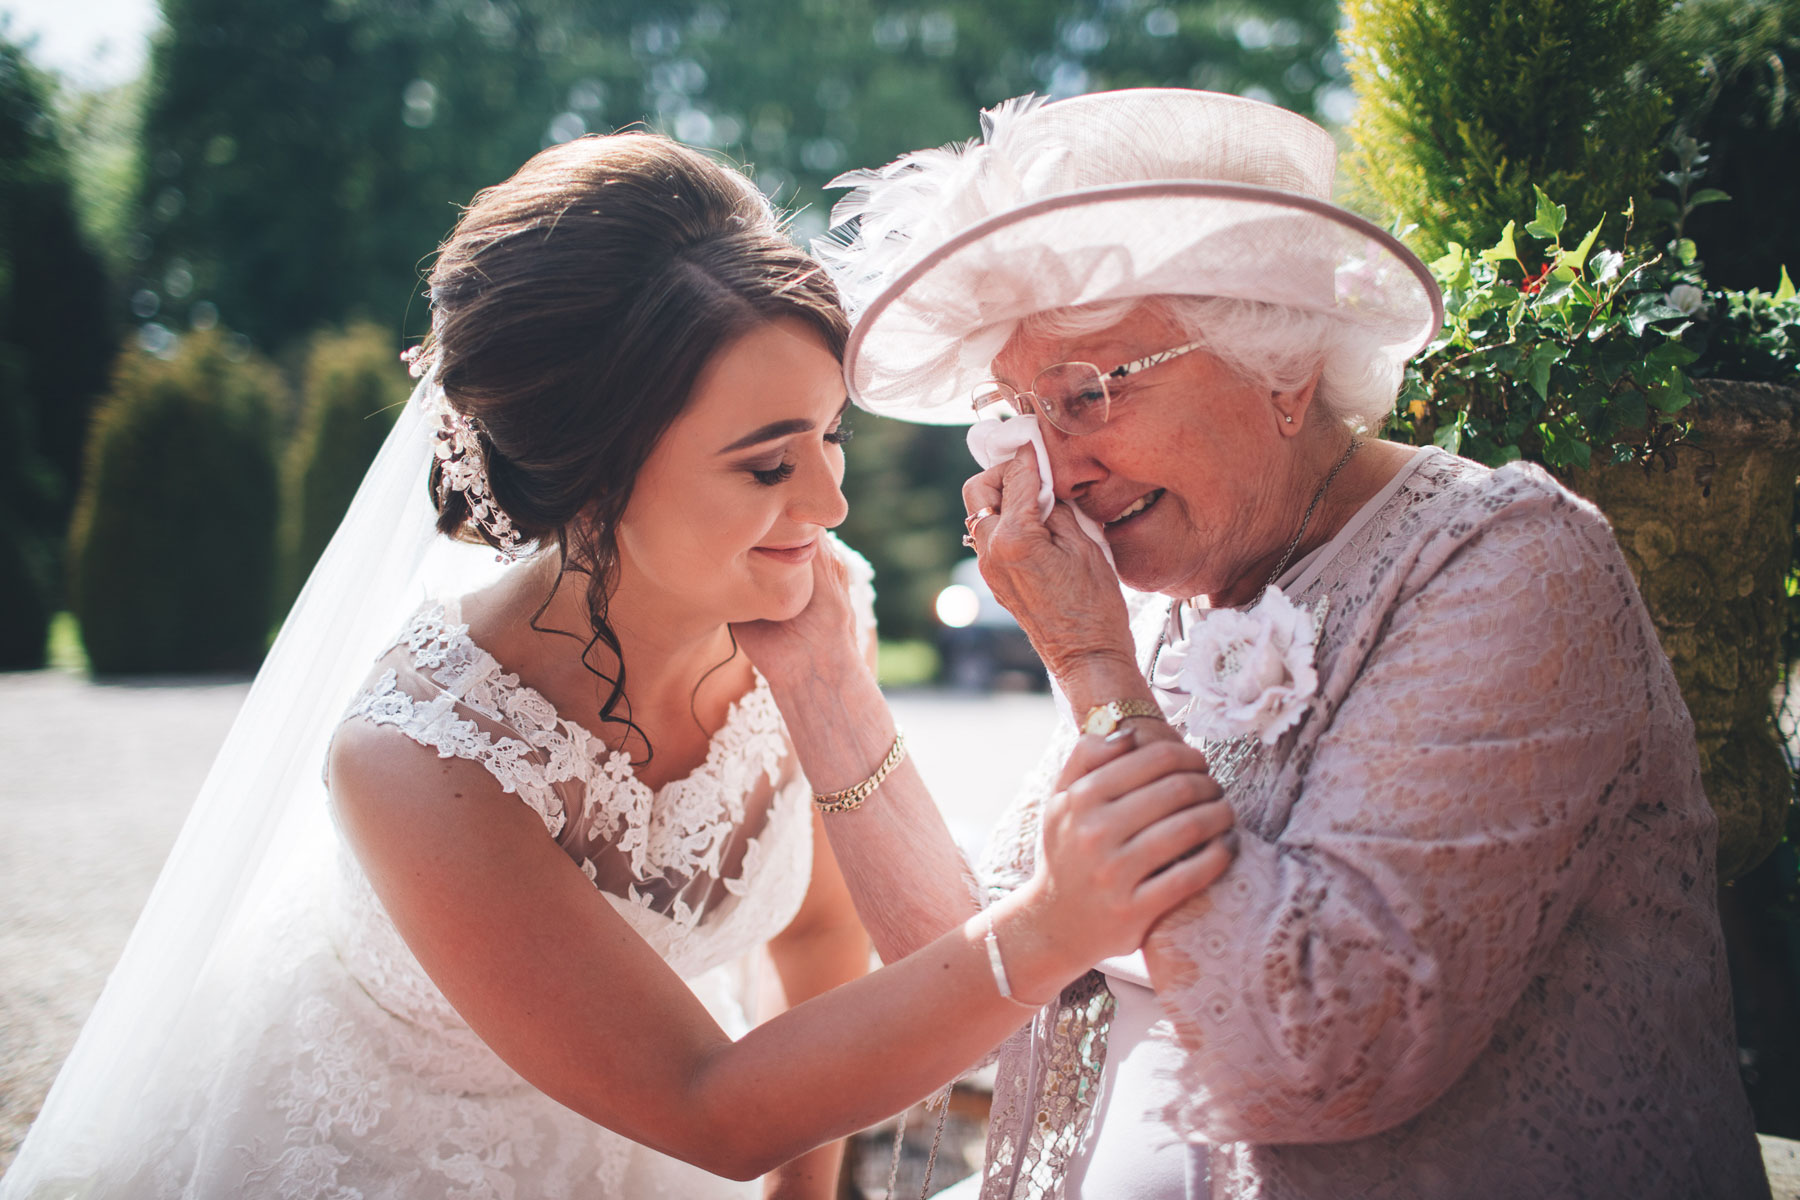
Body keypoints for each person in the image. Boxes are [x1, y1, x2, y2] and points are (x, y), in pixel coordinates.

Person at [0, 132, 1234, 1200]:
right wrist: (1057, 920)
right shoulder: (416, 759)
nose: (831, 498)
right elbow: (708, 1101)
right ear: (591, 478)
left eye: (830, 435)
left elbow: (813, 948)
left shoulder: (798, 617)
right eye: (766, 465)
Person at [786, 88, 1771, 1198]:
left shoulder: (1512, 566)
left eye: (1086, 395)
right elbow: (988, 968)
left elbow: (1326, 1051)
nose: (1053, 468)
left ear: (1283, 365)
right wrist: (819, 679)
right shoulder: (1173, 607)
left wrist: (1092, 668)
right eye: (1021, 411)